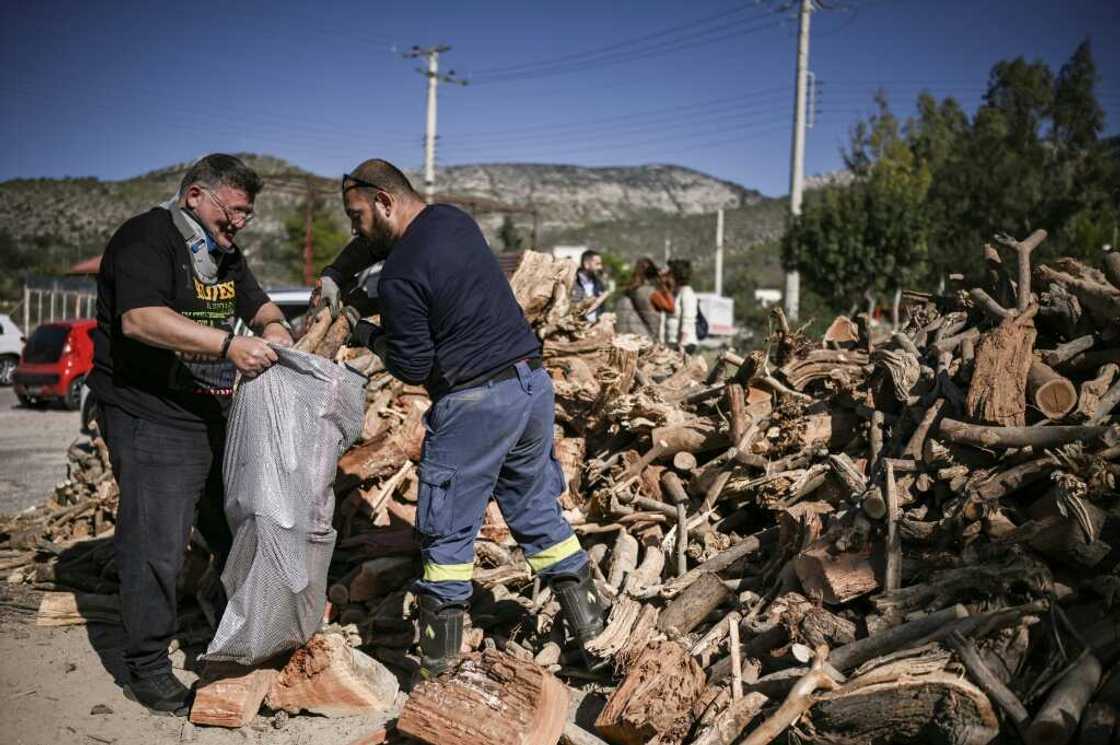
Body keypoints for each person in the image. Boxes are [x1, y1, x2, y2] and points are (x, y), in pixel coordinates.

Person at [321, 159, 603, 679]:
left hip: (475, 402)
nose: (353, 228)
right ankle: (599, 639)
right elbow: (388, 248)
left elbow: (411, 365)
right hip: (530, 387)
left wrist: (364, 331)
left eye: (356, 216)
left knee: (446, 536)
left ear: (385, 202)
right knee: (537, 513)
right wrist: (338, 270)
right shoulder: (452, 220)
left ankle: (439, 674)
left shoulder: (402, 274)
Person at [88, 154, 294, 716]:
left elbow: (260, 306)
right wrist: (230, 347)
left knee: (232, 526)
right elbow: (140, 319)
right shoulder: (146, 238)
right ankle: (147, 667)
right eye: (235, 211)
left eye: (248, 215)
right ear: (196, 196)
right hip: (148, 410)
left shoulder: (223, 254)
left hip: (207, 408)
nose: (241, 224)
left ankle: (236, 638)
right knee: (155, 543)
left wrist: (276, 330)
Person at [614, 257, 661, 338]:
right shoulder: (647, 292)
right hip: (639, 339)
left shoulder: (627, 290)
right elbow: (652, 322)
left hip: (622, 337)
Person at [666, 259, 699, 354]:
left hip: (684, 345)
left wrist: (681, 344)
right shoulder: (677, 293)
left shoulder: (687, 293)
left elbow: (687, 320)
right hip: (674, 344)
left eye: (669, 274)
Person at [570, 249, 606, 321]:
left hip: (594, 328)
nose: (600, 267)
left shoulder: (599, 284)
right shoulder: (572, 282)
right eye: (597, 264)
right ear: (586, 264)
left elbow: (601, 308)